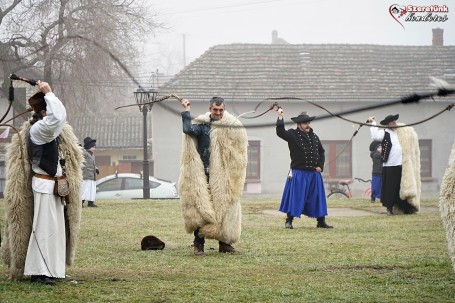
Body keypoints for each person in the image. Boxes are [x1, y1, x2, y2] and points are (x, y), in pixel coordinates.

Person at [1, 81, 84, 284]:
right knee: (44, 230)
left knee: (54, 231)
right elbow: (59, 117)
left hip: (52, 186)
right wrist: (48, 92)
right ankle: (39, 272)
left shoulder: (46, 129)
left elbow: (58, 117)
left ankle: (52, 270)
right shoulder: (39, 129)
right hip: (44, 185)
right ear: (44, 111)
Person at [179, 97, 248, 256]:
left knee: (224, 208)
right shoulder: (202, 125)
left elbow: (237, 151)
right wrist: (186, 110)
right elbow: (188, 129)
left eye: (220, 110)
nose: (218, 113)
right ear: (210, 109)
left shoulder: (231, 126)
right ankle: (198, 244)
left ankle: (224, 242)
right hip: (202, 173)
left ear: (224, 110)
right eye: (215, 110)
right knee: (201, 207)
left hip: (223, 175)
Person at [276, 109, 333, 229]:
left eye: (308, 122)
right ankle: (289, 221)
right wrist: (280, 117)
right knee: (295, 197)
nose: (308, 125)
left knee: (317, 197)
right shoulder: (292, 134)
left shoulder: (315, 136)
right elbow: (280, 132)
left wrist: (320, 166)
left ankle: (321, 221)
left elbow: (321, 152)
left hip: (313, 173)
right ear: (299, 124)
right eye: (305, 123)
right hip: (299, 173)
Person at [367, 114, 421, 215]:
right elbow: (374, 135)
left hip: (400, 165)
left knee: (399, 188)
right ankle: (389, 208)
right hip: (389, 165)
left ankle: (403, 208)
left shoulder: (399, 132)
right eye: (392, 122)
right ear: (388, 124)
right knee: (389, 188)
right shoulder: (384, 133)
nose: (394, 123)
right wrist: (373, 123)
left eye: (394, 121)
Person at [81, 136, 99, 207]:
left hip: (92, 175)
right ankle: (81, 202)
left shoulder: (92, 155)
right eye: (93, 146)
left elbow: (92, 164)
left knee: (92, 189)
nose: (94, 148)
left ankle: (91, 202)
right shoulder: (84, 153)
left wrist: (96, 169)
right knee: (84, 189)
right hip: (86, 174)